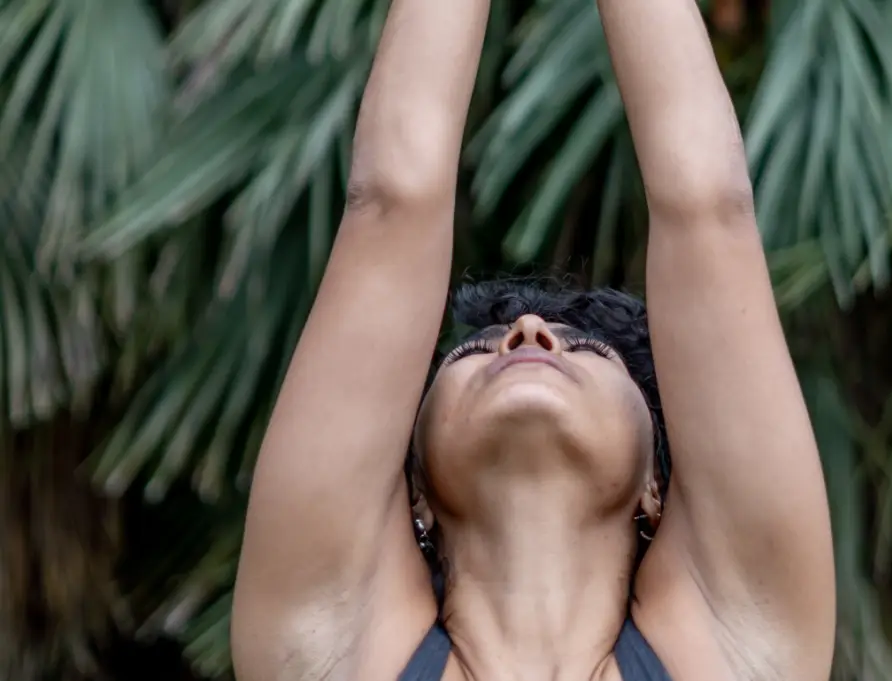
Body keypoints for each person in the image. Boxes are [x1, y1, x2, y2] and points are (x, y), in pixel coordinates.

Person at [229, 1, 836, 679]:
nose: (528, 332)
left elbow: (708, 203)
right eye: (473, 348)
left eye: (587, 348)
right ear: (417, 494)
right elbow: (392, 199)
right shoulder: (327, 648)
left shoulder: (740, 647)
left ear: (654, 486)